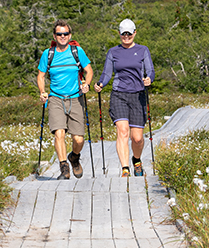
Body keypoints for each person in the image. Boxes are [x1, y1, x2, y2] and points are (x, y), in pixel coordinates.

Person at [94, 19, 155, 177]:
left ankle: (136, 160)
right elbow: (107, 73)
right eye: (123, 34)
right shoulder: (113, 52)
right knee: (122, 131)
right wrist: (101, 83)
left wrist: (149, 79)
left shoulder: (142, 50)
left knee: (137, 138)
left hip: (138, 95)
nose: (126, 36)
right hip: (119, 95)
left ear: (135, 33)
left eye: (129, 33)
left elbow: (150, 71)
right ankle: (125, 168)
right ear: (120, 34)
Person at [37, 20, 94, 180]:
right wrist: (42, 92)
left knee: (79, 139)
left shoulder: (77, 51)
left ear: (70, 35)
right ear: (54, 36)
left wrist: (87, 84)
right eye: (59, 34)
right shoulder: (48, 54)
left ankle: (74, 157)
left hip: (76, 98)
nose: (62, 37)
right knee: (59, 133)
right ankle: (64, 168)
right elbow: (41, 75)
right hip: (55, 98)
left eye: (65, 34)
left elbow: (88, 70)